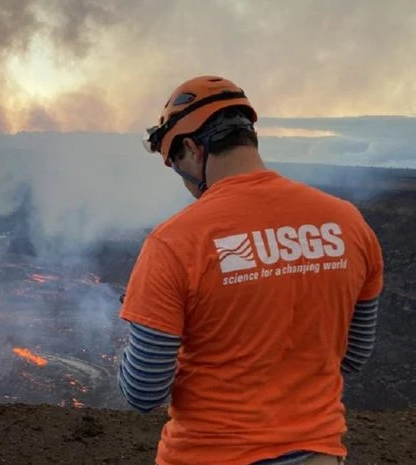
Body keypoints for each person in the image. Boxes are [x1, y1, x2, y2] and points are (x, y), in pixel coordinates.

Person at [116, 75, 384, 465]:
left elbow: (143, 393)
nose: (182, 179)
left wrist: (145, 326)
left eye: (176, 163)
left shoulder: (175, 242)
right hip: (317, 452)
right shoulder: (349, 224)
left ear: (192, 148)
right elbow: (354, 354)